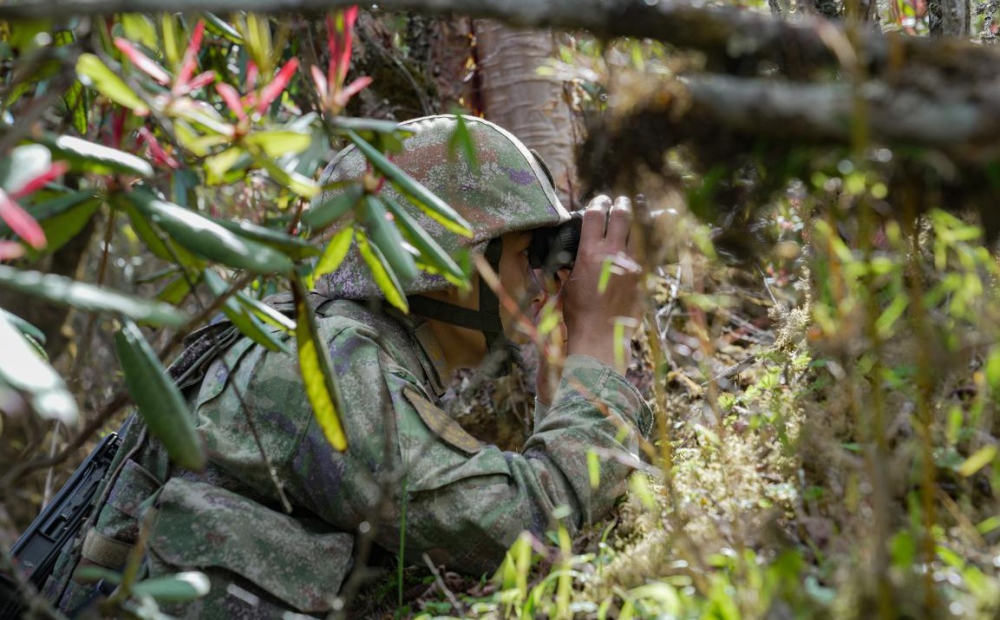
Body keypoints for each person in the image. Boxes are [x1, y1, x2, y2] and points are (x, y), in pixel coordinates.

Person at [44, 115, 652, 618]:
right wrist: (598, 346)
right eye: (526, 255)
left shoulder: (316, 343)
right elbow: (530, 526)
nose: (544, 283)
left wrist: (566, 377)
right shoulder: (321, 366)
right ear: (440, 262)